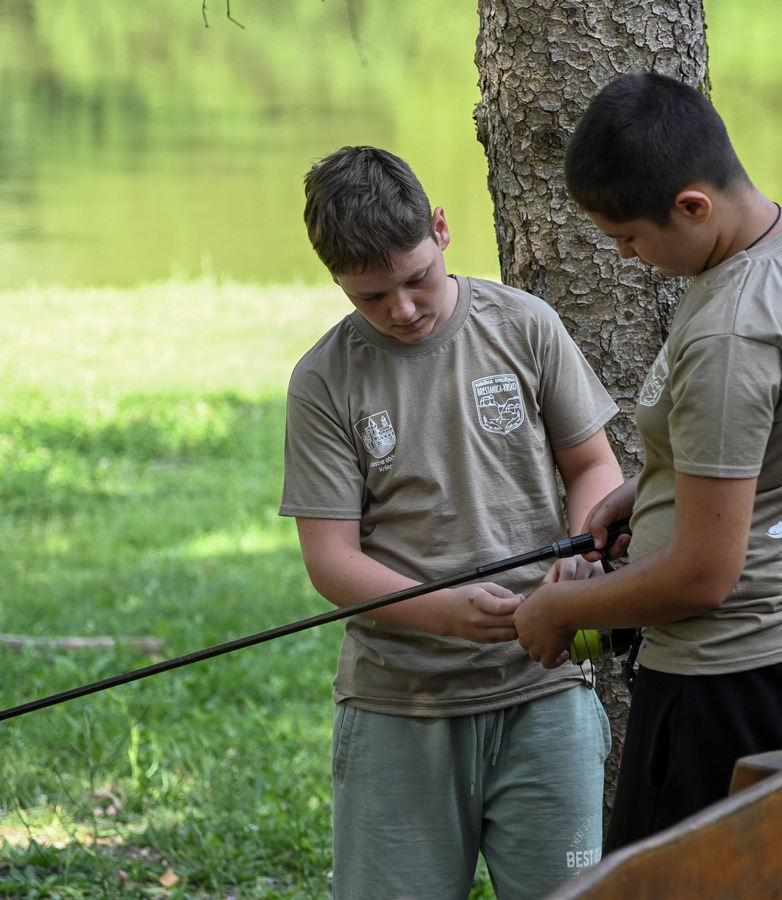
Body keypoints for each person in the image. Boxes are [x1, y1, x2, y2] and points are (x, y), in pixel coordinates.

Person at [514, 72, 782, 851]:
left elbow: (702, 576)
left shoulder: (732, 331)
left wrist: (560, 611)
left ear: (693, 206)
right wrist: (654, 484)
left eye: (629, 237)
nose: (626, 256)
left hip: (736, 687)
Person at [279, 145, 623, 899]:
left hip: (545, 689)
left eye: (417, 279)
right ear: (337, 280)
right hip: (398, 703)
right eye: (371, 297)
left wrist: (581, 558)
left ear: (440, 229)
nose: (402, 310)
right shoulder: (323, 380)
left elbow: (593, 466)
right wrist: (442, 613)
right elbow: (331, 559)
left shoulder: (524, 324)